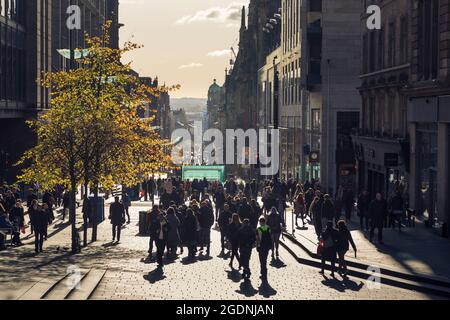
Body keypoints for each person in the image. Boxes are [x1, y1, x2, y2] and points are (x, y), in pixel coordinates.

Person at [256, 217, 272, 283]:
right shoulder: (268, 228)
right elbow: (270, 236)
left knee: (261, 260)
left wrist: (257, 246)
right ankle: (264, 271)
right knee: (265, 259)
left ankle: (263, 272)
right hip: (267, 246)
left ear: (260, 222)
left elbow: (257, 239)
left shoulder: (258, 229)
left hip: (261, 246)